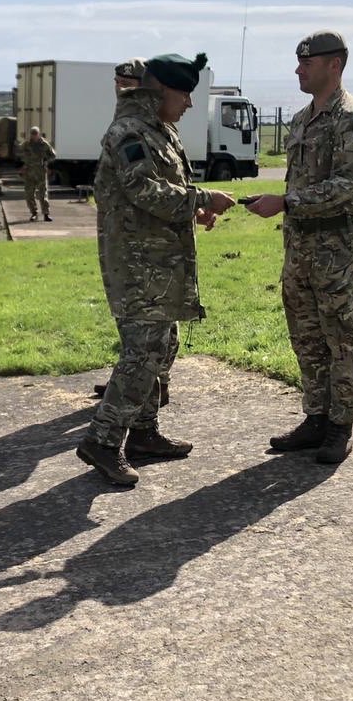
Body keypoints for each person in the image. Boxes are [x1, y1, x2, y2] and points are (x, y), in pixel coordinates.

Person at [76, 52, 235, 486]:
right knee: (142, 353)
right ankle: (102, 441)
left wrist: (192, 211)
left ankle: (143, 433)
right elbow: (143, 189)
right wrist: (202, 200)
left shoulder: (161, 130)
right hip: (137, 265)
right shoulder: (130, 131)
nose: (187, 104)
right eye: (184, 94)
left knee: (163, 345)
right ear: (160, 90)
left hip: (160, 263)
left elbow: (170, 190)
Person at [245, 31, 353, 464]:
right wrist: (286, 205)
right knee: (306, 334)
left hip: (336, 247)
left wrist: (287, 202)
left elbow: (344, 187)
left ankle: (341, 425)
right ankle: (316, 416)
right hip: (300, 244)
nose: (299, 69)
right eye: (299, 62)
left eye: (308, 63)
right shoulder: (302, 120)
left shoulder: (352, 120)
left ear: (334, 65)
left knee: (340, 335)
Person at [92, 58, 174, 412]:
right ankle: (135, 414)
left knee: (153, 334)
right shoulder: (127, 125)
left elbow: (153, 186)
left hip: (147, 246)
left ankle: (154, 391)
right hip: (129, 245)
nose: (123, 86)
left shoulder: (143, 125)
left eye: (131, 81)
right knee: (142, 335)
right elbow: (139, 187)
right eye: (119, 80)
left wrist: (193, 203)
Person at [16, 125, 55, 221]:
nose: (34, 136)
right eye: (32, 134)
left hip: (41, 172)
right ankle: (34, 213)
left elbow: (53, 155)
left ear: (39, 134)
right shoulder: (26, 144)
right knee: (29, 194)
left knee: (43, 194)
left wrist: (46, 161)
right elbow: (18, 153)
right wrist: (24, 162)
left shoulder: (44, 144)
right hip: (29, 172)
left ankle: (46, 214)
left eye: (35, 134)